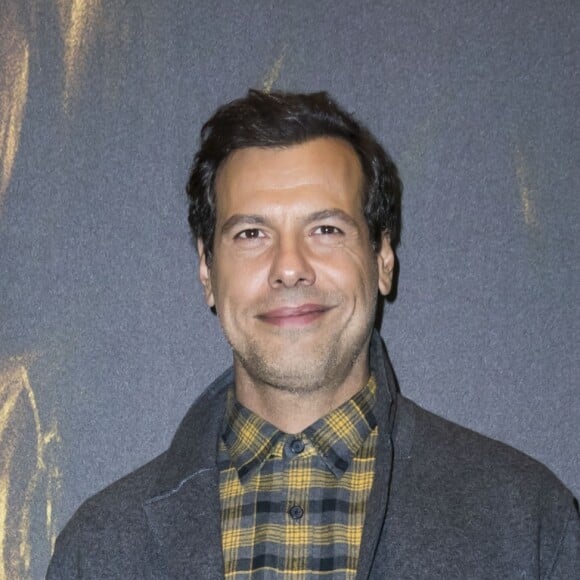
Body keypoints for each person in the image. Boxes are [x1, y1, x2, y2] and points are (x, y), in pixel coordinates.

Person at [47, 90, 579, 579]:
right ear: (207, 272)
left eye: (326, 229)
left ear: (383, 259)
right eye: (251, 234)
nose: (290, 267)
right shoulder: (99, 551)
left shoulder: (524, 522)